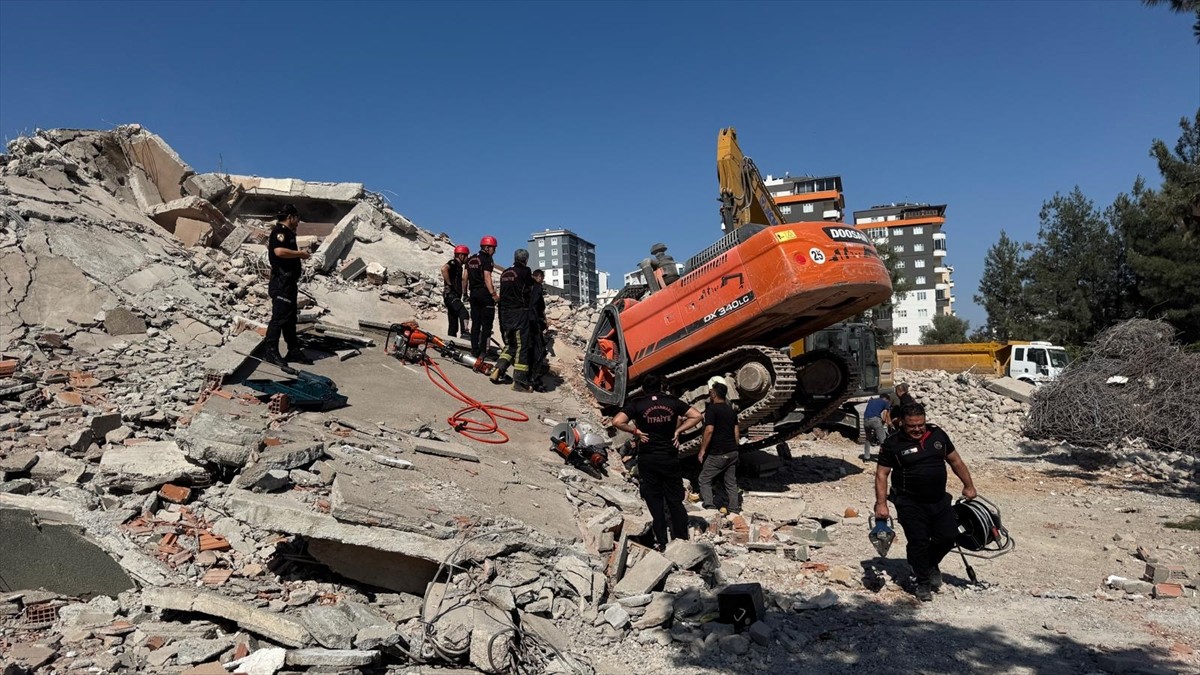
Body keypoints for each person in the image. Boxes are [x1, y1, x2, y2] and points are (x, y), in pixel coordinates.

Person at [874, 402, 978, 602]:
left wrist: (968, 485)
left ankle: (928, 564)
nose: (917, 429)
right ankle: (922, 581)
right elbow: (882, 474)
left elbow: (955, 461)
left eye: (920, 424)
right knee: (919, 540)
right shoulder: (892, 443)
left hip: (939, 499)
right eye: (912, 425)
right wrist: (881, 503)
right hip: (909, 502)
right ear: (902, 423)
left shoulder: (937, 434)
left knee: (949, 536)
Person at [611, 374, 703, 551]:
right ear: (661, 386)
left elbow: (617, 421)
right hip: (669, 457)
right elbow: (697, 416)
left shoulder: (637, 404)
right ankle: (681, 539)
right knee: (675, 501)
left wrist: (636, 431)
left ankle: (661, 541)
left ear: (643, 388)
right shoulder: (672, 402)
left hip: (648, 458)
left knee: (654, 500)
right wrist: (678, 431)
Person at [263, 204, 312, 368]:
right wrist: (300, 254)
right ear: (290, 217)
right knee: (279, 318)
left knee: (290, 319)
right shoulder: (280, 232)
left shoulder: (289, 233)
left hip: (289, 282)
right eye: (297, 218)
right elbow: (279, 252)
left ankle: (293, 350)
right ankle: (270, 351)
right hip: (281, 282)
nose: (298, 222)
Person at [489, 249, 534, 391]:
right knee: (522, 346)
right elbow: (530, 289)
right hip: (519, 313)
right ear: (525, 260)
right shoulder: (525, 271)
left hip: (504, 314)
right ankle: (519, 381)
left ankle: (498, 368)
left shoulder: (506, 272)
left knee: (510, 345)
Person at [697, 381, 740, 513]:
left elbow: (709, 430)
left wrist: (702, 450)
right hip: (732, 452)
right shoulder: (731, 410)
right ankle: (734, 509)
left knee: (704, 479)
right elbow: (736, 432)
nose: (710, 395)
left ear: (714, 394)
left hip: (718, 453)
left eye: (710, 393)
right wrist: (734, 447)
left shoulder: (712, 409)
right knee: (731, 482)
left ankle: (709, 506)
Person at [465, 236, 500, 358]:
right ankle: (484, 352)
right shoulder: (487, 259)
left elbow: (465, 278)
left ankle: (474, 350)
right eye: (493, 248)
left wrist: (464, 293)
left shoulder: (470, 259)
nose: (494, 251)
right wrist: (493, 294)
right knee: (486, 325)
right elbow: (487, 277)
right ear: (486, 247)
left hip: (473, 294)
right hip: (484, 295)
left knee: (475, 324)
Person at [440, 245, 470, 338]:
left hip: (451, 296)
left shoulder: (460, 267)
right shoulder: (454, 263)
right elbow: (444, 269)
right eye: (466, 256)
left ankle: (451, 339)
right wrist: (449, 285)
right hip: (451, 295)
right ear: (461, 255)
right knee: (463, 312)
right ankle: (465, 332)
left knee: (453, 320)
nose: (467, 258)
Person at [527, 268, 550, 388]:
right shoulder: (537, 288)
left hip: (524, 321)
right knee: (538, 350)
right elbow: (538, 307)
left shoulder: (526, 286)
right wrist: (543, 322)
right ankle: (534, 378)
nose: (542, 280)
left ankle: (528, 375)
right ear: (539, 277)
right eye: (542, 278)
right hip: (534, 322)